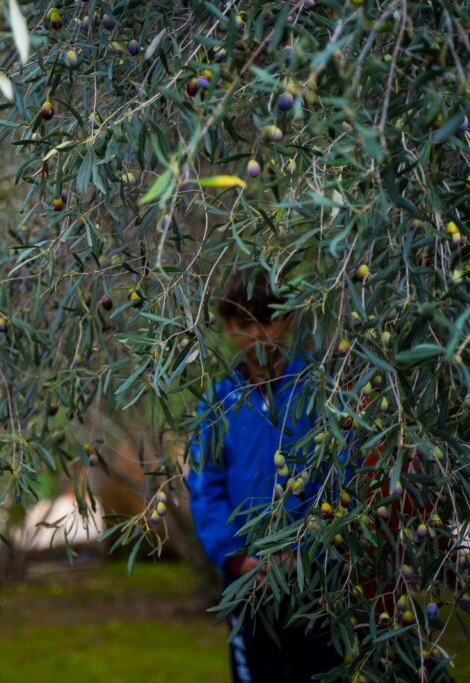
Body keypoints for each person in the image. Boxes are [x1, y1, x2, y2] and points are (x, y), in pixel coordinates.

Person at [187, 270, 342, 683]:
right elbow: (205, 486)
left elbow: (338, 475)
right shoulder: (218, 403)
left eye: (269, 319)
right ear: (227, 327)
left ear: (289, 320)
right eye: (244, 322)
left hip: (315, 582)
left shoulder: (318, 392)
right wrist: (237, 557)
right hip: (246, 582)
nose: (258, 334)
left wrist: (307, 552)